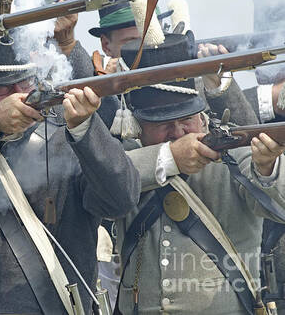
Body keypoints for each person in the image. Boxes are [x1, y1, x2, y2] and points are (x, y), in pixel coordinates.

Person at [0, 10, 141, 313]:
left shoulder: (70, 138)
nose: (16, 98)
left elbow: (120, 199)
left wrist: (85, 127)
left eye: (22, 85)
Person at [114, 32, 285, 315]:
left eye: (186, 120)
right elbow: (105, 185)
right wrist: (168, 158)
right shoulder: (124, 160)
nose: (179, 132)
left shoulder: (232, 148)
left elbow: (278, 203)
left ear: (200, 113)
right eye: (164, 124)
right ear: (137, 124)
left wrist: (267, 166)